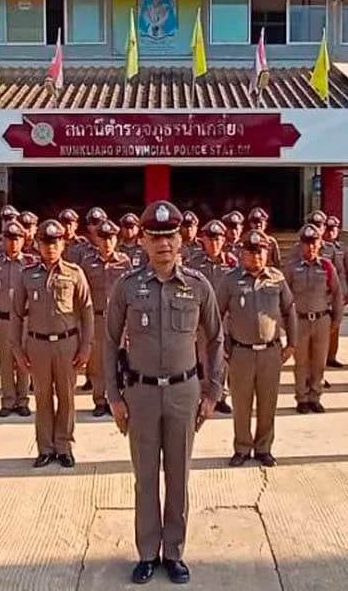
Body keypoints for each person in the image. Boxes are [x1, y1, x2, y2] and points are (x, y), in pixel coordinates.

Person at [104, 201, 225, 586]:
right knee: (144, 477)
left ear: (181, 240)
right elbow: (108, 342)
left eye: (169, 236)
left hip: (183, 393)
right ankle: (146, 552)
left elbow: (216, 339)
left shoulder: (197, 285)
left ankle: (173, 553)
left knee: (178, 475)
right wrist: (113, 395)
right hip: (139, 393)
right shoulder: (127, 286)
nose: (163, 244)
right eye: (154, 237)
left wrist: (213, 391)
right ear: (142, 241)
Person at [12, 219, 94, 468]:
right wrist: (17, 349)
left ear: (63, 244)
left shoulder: (74, 273)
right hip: (37, 345)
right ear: (37, 244)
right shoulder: (27, 275)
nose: (50, 247)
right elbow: (17, 314)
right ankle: (45, 447)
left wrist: (86, 346)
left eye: (55, 242)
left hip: (67, 343)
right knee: (42, 397)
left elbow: (87, 311)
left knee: (67, 397)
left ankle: (64, 445)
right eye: (46, 242)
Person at [216, 230, 296, 466]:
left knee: (268, 402)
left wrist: (292, 342)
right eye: (251, 252)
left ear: (267, 252)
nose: (256, 256)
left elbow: (289, 309)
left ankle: (263, 447)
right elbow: (216, 315)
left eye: (260, 251)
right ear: (242, 253)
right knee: (241, 404)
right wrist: (223, 346)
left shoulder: (277, 279)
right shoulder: (230, 280)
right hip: (241, 352)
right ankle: (242, 447)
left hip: (271, 353)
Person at [283, 224, 344, 413]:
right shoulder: (292, 268)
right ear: (301, 245)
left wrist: (337, 319)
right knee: (300, 362)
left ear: (320, 244)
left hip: (321, 320)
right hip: (299, 321)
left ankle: (315, 396)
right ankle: (301, 398)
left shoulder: (326, 266)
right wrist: (285, 323)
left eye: (314, 243)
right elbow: (283, 296)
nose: (310, 247)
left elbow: (337, 294)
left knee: (319, 361)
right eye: (307, 243)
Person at [0, 221, 37, 417]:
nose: (13, 243)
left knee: (23, 361)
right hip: (2, 320)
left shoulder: (31, 264)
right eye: (9, 239)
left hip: (24, 321)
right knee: (5, 363)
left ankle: (22, 400)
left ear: (23, 240)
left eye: (17, 239)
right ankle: (8, 400)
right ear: (3, 240)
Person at [78, 220, 132, 416]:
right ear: (97, 240)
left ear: (116, 239)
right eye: (103, 238)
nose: (107, 242)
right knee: (98, 361)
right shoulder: (87, 262)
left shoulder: (124, 262)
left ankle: (118, 398)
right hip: (97, 318)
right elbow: (82, 294)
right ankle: (100, 399)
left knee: (121, 359)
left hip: (119, 318)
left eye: (111, 238)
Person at [192, 219, 238, 415]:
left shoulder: (232, 263)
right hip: (202, 321)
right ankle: (204, 395)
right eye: (210, 240)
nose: (214, 244)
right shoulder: (194, 263)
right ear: (204, 241)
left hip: (224, 321)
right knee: (203, 359)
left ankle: (221, 396)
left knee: (222, 359)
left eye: (218, 240)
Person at [319, 214, 348, 368]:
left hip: (335, 294)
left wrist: (346, 292)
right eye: (327, 229)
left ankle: (331, 356)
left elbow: (346, 271)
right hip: (319, 296)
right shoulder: (315, 248)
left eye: (333, 229)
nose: (330, 233)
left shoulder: (341, 249)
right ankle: (319, 360)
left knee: (334, 327)